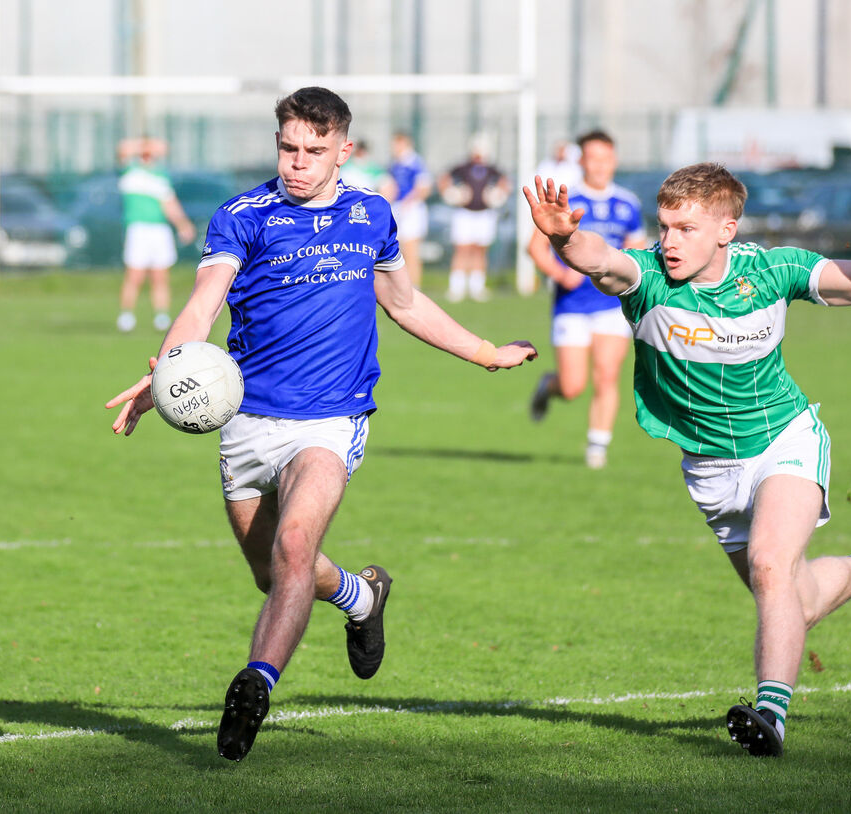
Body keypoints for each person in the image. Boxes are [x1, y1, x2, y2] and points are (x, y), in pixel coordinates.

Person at [106, 87, 537, 763]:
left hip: (331, 420)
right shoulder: (243, 216)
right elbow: (200, 307)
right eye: (287, 148)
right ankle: (363, 597)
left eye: (313, 150)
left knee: (297, 544)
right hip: (246, 419)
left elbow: (405, 303)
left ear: (345, 150)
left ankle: (255, 684)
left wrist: (485, 352)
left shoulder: (371, 215)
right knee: (272, 571)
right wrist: (167, 371)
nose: (298, 163)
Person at [523, 164, 851, 758]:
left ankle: (771, 715)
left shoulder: (774, 270)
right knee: (791, 600)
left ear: (727, 229)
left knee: (772, 566)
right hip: (710, 471)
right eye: (665, 226)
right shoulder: (647, 278)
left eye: (686, 229)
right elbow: (601, 259)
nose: (669, 241)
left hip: (784, 439)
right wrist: (563, 238)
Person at [526, 130, 646, 469]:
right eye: (593, 158)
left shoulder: (627, 203)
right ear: (581, 161)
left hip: (612, 304)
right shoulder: (566, 202)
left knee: (607, 375)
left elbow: (637, 252)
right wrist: (561, 274)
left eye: (606, 158)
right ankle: (548, 387)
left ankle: (597, 446)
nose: (600, 165)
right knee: (573, 385)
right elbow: (535, 247)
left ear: (615, 161)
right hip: (572, 306)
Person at [115, 137, 196, 332]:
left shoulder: (161, 175)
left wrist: (183, 224)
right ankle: (126, 315)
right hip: (139, 228)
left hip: (159, 230)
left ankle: (161, 316)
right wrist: (145, 144)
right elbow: (123, 149)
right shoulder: (129, 170)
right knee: (135, 274)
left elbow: (169, 204)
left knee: (160, 275)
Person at [439, 133, 511, 302]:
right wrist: (450, 194)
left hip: (485, 214)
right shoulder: (463, 167)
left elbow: (504, 182)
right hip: (464, 214)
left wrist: (499, 195)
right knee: (462, 249)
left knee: (480, 250)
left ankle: (477, 287)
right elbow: (444, 179)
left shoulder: (492, 169)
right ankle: (456, 287)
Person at [387, 131, 433, 289]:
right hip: (398, 208)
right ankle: (401, 286)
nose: (394, 147)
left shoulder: (415, 162)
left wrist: (409, 202)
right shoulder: (394, 164)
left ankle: (414, 286)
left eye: (397, 143)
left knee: (412, 249)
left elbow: (424, 187)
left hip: (412, 209)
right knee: (399, 250)